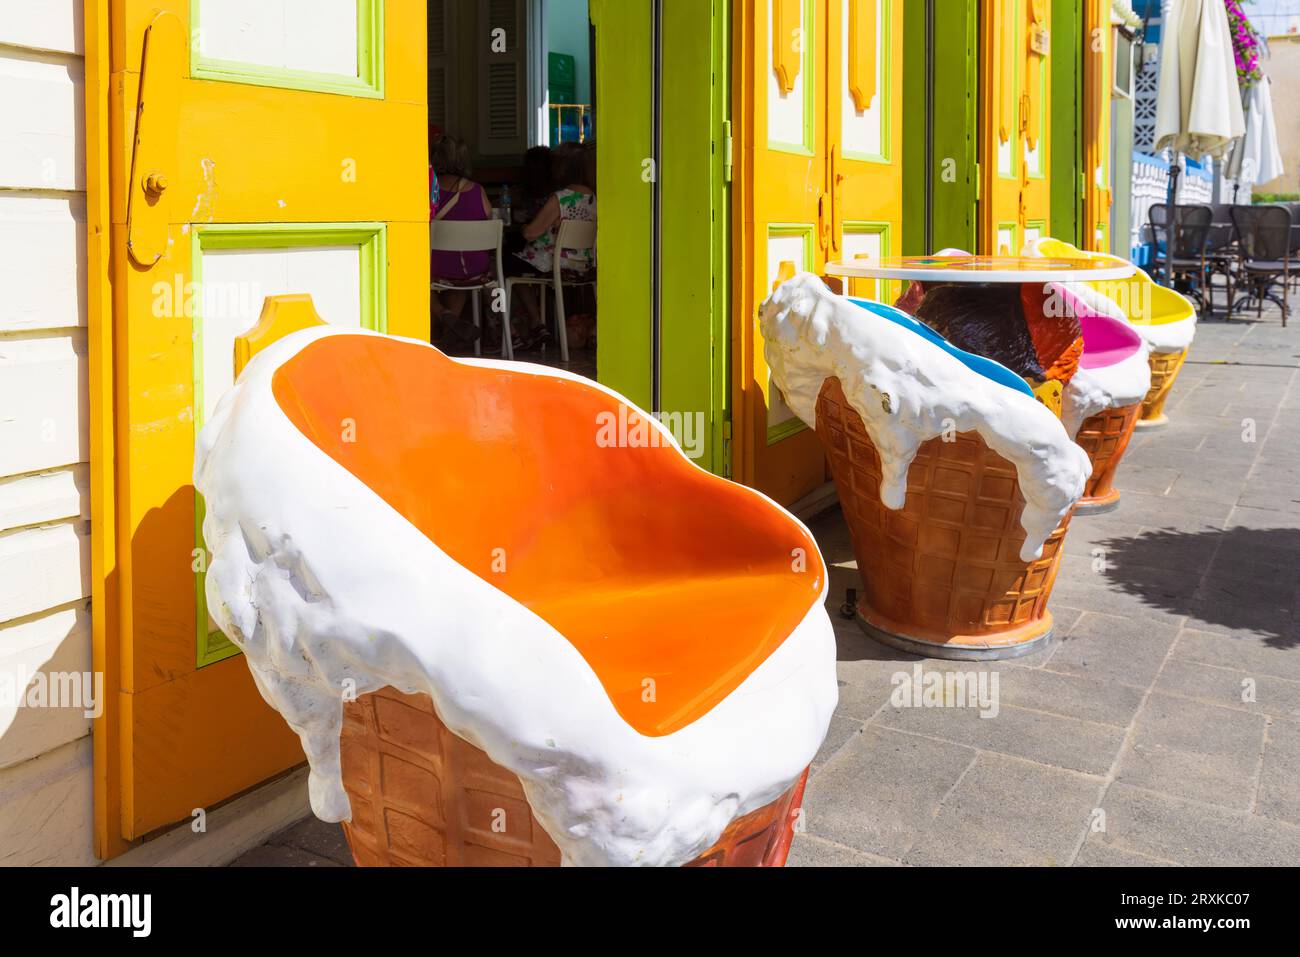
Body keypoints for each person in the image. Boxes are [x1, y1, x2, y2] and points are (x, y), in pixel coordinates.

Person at [510, 142, 596, 350]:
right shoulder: (594, 198)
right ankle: (537, 324)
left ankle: (535, 322)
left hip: (555, 263)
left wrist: (521, 229)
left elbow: (532, 233)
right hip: (583, 263)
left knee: (509, 264)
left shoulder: (561, 198)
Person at [430, 135, 492, 349]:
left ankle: (443, 313)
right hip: (473, 268)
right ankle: (451, 329)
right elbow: (488, 216)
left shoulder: (429, 187)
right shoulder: (478, 190)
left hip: (437, 264)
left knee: (411, 272)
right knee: (460, 270)